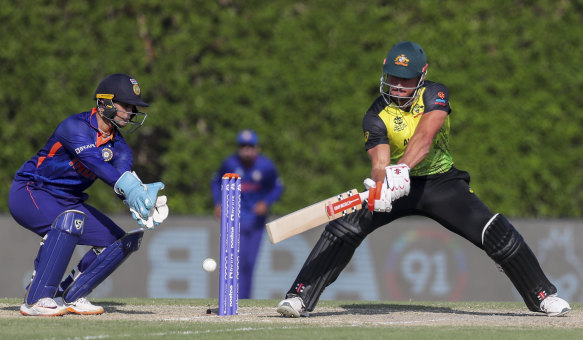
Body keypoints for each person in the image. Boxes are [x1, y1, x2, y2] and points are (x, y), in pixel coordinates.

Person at [276, 41, 571, 318]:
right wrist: (382, 186)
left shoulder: (435, 94)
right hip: (395, 188)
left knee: (495, 231)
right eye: (393, 77)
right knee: (345, 226)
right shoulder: (376, 113)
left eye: (406, 79)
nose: (398, 85)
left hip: (441, 183)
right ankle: (299, 296)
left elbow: (425, 138)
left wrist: (400, 169)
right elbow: (379, 161)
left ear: (422, 74)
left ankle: (543, 295)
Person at [9, 73, 169, 316]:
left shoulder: (121, 148)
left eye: (132, 107)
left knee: (118, 242)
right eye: (125, 105)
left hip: (69, 200)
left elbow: (120, 180)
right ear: (104, 102)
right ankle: (37, 298)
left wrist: (142, 202)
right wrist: (131, 187)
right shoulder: (74, 127)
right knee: (69, 222)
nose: (130, 111)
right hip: (31, 191)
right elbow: (94, 163)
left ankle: (73, 294)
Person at [212, 129, 284, 298]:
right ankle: (231, 298)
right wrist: (218, 202)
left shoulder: (266, 166)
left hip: (256, 222)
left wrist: (266, 202)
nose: (246, 150)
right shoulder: (230, 164)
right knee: (234, 261)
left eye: (250, 146)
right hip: (234, 220)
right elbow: (216, 182)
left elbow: (277, 187)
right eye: (243, 146)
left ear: (256, 148)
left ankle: (244, 298)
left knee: (249, 262)